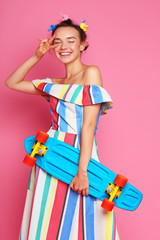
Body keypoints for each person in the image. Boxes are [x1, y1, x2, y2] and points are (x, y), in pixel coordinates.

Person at [5, 16, 120, 240]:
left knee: (87, 216)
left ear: (83, 45)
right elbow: (12, 83)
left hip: (80, 153)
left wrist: (83, 171)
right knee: (46, 214)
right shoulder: (53, 84)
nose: (63, 47)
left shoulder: (91, 73)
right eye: (57, 42)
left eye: (70, 41)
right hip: (49, 152)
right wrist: (36, 56)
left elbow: (88, 126)